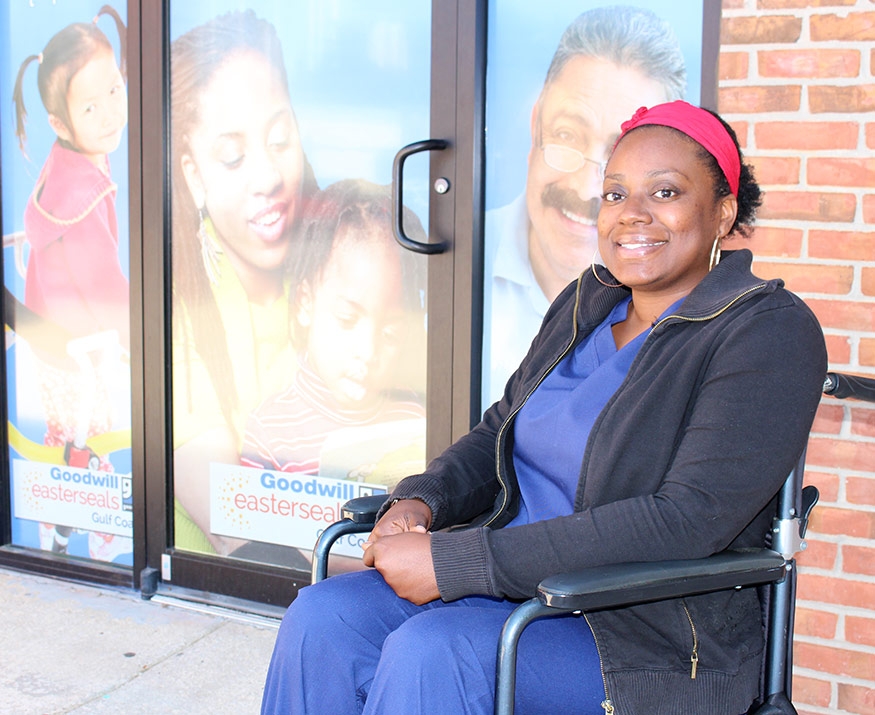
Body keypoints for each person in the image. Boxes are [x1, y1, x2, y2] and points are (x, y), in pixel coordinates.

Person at [260, 101, 828, 714]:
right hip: (507, 586)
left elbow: (686, 519)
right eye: (614, 194)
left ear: (723, 212)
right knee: (322, 619)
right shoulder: (586, 303)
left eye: (665, 191)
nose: (633, 214)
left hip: (641, 632)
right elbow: (500, 429)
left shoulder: (766, 330)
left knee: (434, 654)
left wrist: (459, 564)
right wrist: (421, 499)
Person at [483, 5, 687, 405]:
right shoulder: (447, 268)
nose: (586, 186)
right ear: (535, 126)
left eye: (620, 154)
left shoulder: (689, 325)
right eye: (566, 134)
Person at [170, 10, 317, 555]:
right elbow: (237, 532)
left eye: (281, 139)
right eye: (232, 156)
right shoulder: (177, 306)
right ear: (192, 174)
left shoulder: (337, 253)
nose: (270, 177)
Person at [11, 5, 130, 560]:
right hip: (79, 353)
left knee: (64, 444)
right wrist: (143, 329)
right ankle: (102, 542)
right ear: (61, 124)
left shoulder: (63, 167)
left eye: (114, 89)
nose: (110, 112)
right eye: (90, 104)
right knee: (89, 445)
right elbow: (105, 288)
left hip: (50, 346)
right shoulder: (87, 196)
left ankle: (56, 534)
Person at [240, 179, 427, 484]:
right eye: (346, 319)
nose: (367, 352)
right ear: (304, 303)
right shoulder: (270, 434)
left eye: (390, 333)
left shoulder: (416, 422)